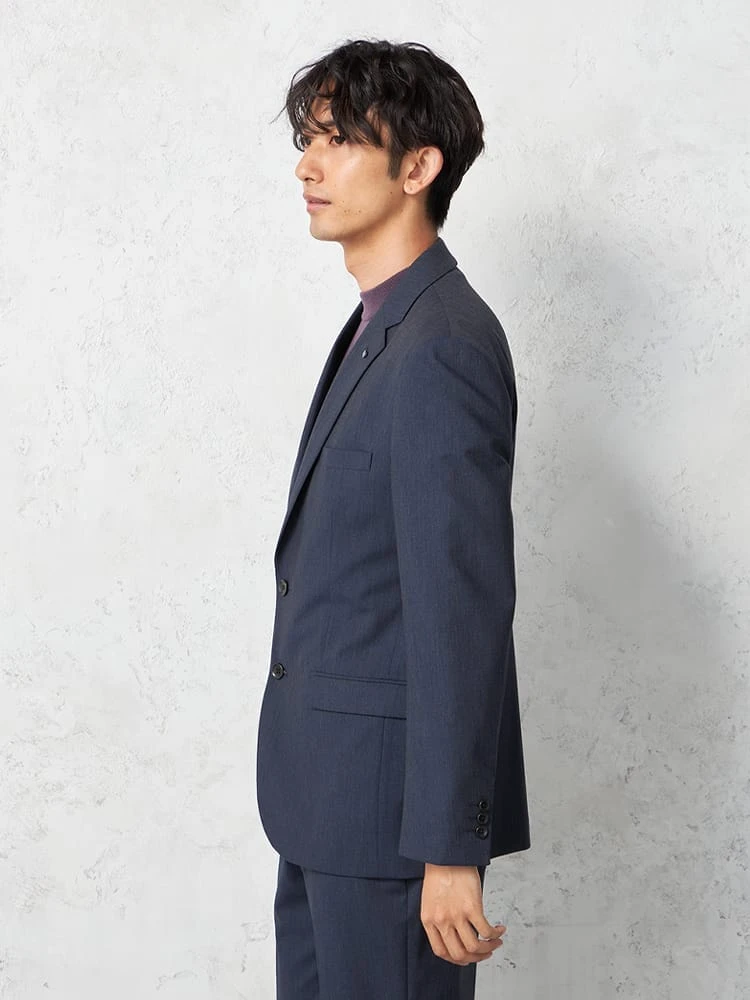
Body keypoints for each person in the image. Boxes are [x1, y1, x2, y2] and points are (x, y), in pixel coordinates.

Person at [256, 38, 531, 1000]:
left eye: (337, 140)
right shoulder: (383, 324)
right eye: (307, 138)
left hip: (393, 833)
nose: (307, 165)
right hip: (326, 806)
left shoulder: (442, 346)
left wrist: (452, 850)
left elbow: (461, 613)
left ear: (418, 168)